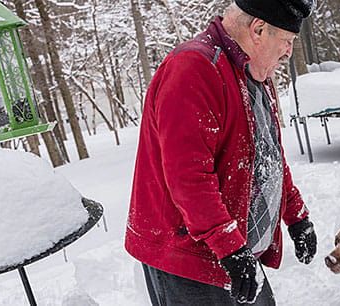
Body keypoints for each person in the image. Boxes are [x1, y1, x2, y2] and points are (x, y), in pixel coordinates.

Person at [125, 0, 317, 305]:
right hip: (190, 257)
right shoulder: (193, 69)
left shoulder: (250, 71)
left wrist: (295, 215)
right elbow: (188, 177)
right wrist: (229, 247)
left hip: (230, 248)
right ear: (258, 29)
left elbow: (266, 155)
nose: (289, 51)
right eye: (287, 41)